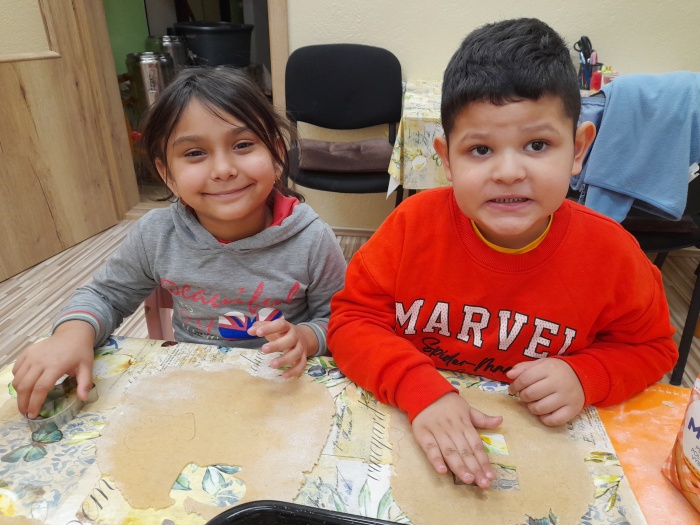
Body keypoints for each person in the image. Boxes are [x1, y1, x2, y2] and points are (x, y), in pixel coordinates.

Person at [327, 18, 677, 490]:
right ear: (446, 159)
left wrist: (586, 374)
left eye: (537, 145)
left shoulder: (612, 254)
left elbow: (652, 348)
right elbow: (352, 321)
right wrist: (418, 388)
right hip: (407, 435)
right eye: (480, 150)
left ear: (578, 150)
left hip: (549, 458)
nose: (509, 172)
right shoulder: (410, 227)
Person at [13, 67, 347, 419]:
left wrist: (305, 337)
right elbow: (105, 296)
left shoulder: (312, 239)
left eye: (242, 145)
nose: (223, 169)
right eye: (195, 153)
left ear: (277, 156)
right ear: (167, 174)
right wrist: (70, 335)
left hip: (283, 388)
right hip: (193, 388)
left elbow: (342, 320)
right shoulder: (157, 235)